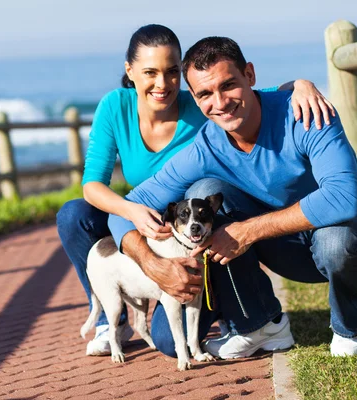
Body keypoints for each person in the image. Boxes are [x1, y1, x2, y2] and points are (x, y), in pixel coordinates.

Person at [107, 36, 357, 358]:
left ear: (250, 75)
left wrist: (248, 230)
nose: (220, 102)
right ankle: (261, 326)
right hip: (289, 248)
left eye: (228, 85)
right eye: (204, 93)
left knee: (334, 238)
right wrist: (151, 263)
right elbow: (124, 209)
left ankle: (350, 327)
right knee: (203, 194)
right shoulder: (206, 147)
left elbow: (343, 198)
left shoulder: (306, 113)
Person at [56, 24, 335, 357]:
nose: (163, 84)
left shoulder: (206, 105)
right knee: (74, 214)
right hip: (148, 219)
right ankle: (109, 318)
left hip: (198, 231)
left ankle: (235, 309)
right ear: (130, 72)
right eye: (150, 72)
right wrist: (132, 214)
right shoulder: (115, 106)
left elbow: (259, 91)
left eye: (172, 72)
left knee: (165, 341)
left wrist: (301, 85)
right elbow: (93, 185)